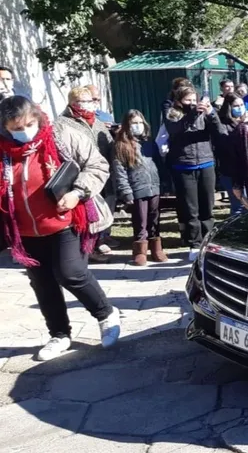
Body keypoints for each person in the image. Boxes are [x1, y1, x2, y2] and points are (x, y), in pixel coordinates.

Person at [0, 96, 122, 360]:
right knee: (42, 284)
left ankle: (106, 314)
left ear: (37, 117)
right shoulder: (3, 150)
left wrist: (78, 192)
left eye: (29, 124)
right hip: (27, 232)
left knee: (70, 273)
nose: (24, 132)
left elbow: (97, 165)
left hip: (66, 222)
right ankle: (59, 334)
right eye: (15, 128)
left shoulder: (60, 135)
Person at [163, 85, 224, 260]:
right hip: (183, 165)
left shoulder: (204, 113)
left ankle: (209, 241)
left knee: (207, 207)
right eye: (187, 100)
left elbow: (219, 132)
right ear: (178, 101)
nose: (191, 103)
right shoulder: (172, 113)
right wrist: (193, 113)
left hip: (206, 163)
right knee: (191, 209)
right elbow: (175, 130)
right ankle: (195, 244)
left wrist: (211, 113)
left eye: (193, 100)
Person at [62, 85, 116, 261]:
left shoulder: (98, 122)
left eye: (91, 101)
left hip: (101, 173)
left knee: (102, 210)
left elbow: (108, 145)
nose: (91, 104)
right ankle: (86, 249)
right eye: (85, 101)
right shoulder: (64, 123)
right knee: (86, 214)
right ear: (73, 103)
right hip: (80, 176)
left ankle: (98, 242)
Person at [113, 110, 168, 265]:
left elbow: (158, 165)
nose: (137, 126)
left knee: (154, 218)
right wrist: (126, 192)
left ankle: (156, 248)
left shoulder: (150, 144)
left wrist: (164, 183)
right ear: (127, 126)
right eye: (133, 123)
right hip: (137, 189)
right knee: (140, 220)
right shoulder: (121, 146)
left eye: (140, 123)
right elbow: (120, 171)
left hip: (154, 187)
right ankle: (140, 250)